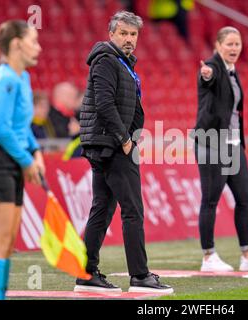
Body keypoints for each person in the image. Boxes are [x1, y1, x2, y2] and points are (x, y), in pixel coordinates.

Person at [77, 11, 172, 293]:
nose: (129, 39)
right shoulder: (107, 60)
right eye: (124, 34)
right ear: (112, 34)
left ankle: (85, 273)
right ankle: (140, 276)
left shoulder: (118, 61)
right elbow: (105, 104)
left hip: (106, 144)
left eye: (133, 35)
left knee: (102, 210)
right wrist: (124, 139)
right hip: (113, 145)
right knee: (132, 210)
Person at [194, 26, 248, 272]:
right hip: (212, 142)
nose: (234, 48)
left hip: (232, 144)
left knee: (244, 198)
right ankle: (208, 257)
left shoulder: (232, 71)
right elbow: (206, 77)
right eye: (229, 44)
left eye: (237, 44)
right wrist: (206, 74)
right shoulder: (214, 67)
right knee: (210, 200)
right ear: (218, 46)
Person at [0, 20, 45, 300]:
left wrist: (35, 152)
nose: (38, 47)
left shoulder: (22, 78)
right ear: (16, 44)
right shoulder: (3, 80)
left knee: (8, 240)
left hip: (12, 162)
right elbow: (1, 129)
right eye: (33, 41)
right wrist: (27, 160)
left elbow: (20, 126)